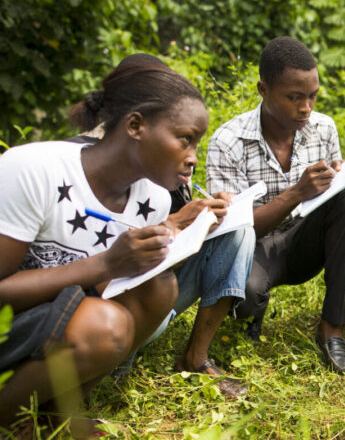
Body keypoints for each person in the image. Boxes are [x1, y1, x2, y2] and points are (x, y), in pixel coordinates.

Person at [0, 55, 210, 439]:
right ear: (135, 125)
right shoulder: (35, 169)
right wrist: (108, 263)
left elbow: (107, 292)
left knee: (159, 288)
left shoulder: (152, 197)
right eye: (185, 139)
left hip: (39, 323)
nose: (192, 157)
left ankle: (54, 414)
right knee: (105, 325)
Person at [67, 54, 255, 399]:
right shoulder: (78, 162)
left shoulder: (165, 150)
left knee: (238, 233)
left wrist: (199, 219)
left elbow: (162, 230)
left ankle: (196, 357)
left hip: (154, 286)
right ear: (135, 120)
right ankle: (109, 366)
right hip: (101, 305)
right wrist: (175, 225)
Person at [207, 36, 345, 375]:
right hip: (251, 249)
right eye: (294, 97)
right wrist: (296, 192)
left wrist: (338, 182)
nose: (306, 107)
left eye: (312, 96)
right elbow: (233, 230)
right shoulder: (228, 141)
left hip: (304, 243)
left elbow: (336, 199)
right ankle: (246, 317)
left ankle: (332, 327)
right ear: (263, 90)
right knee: (247, 297)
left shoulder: (323, 128)